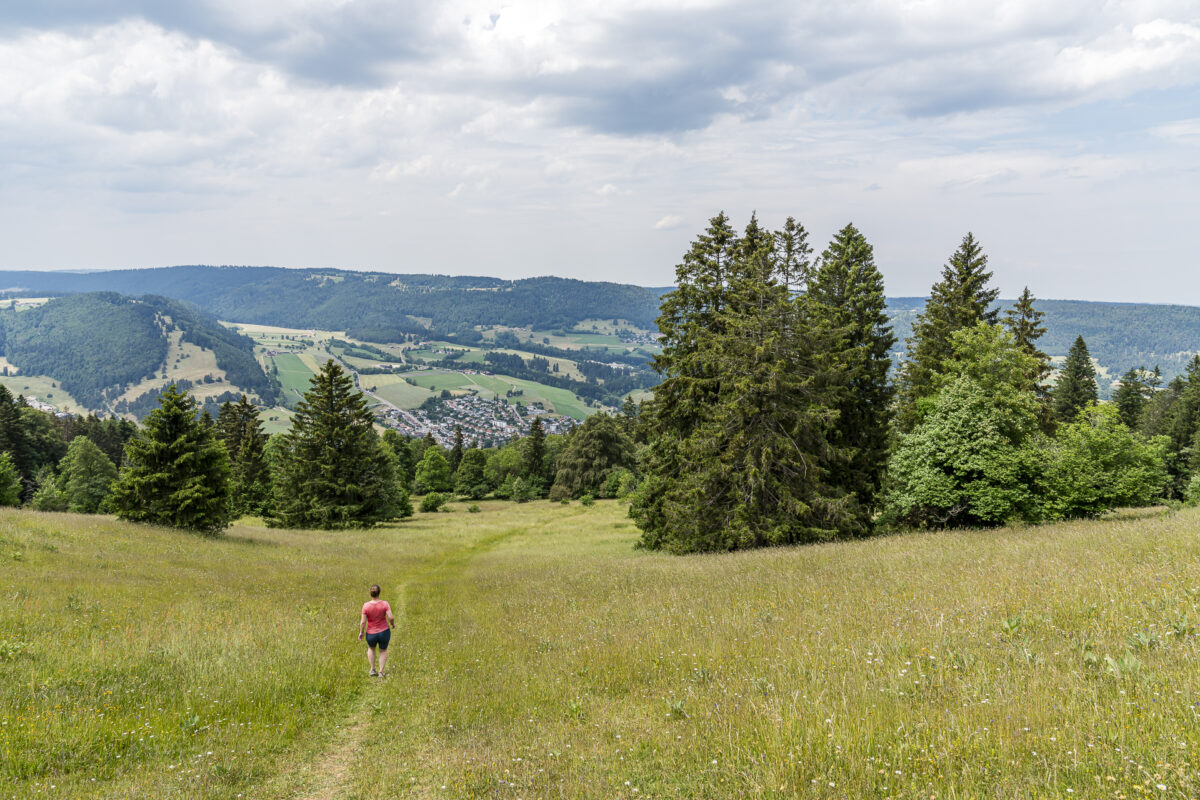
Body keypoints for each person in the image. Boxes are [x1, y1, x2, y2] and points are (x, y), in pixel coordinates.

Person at [358, 584, 395, 677]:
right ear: (379, 593)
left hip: (371, 633)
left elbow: (362, 622)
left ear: (370, 594)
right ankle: (381, 672)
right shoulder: (385, 603)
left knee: (371, 649)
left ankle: (372, 669)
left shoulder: (366, 605)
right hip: (384, 632)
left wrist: (361, 632)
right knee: (383, 651)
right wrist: (393, 624)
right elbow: (390, 617)